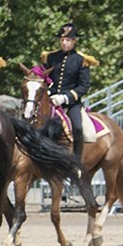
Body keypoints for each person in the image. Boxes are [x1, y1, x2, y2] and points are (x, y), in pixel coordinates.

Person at [41, 23, 97, 165]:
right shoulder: (51, 57)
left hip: (71, 103)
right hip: (51, 101)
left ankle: (77, 162)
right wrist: (48, 92)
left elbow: (84, 86)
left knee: (78, 128)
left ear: (74, 41)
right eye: (62, 40)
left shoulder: (81, 60)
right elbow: (44, 77)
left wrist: (65, 97)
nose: (64, 43)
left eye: (68, 40)